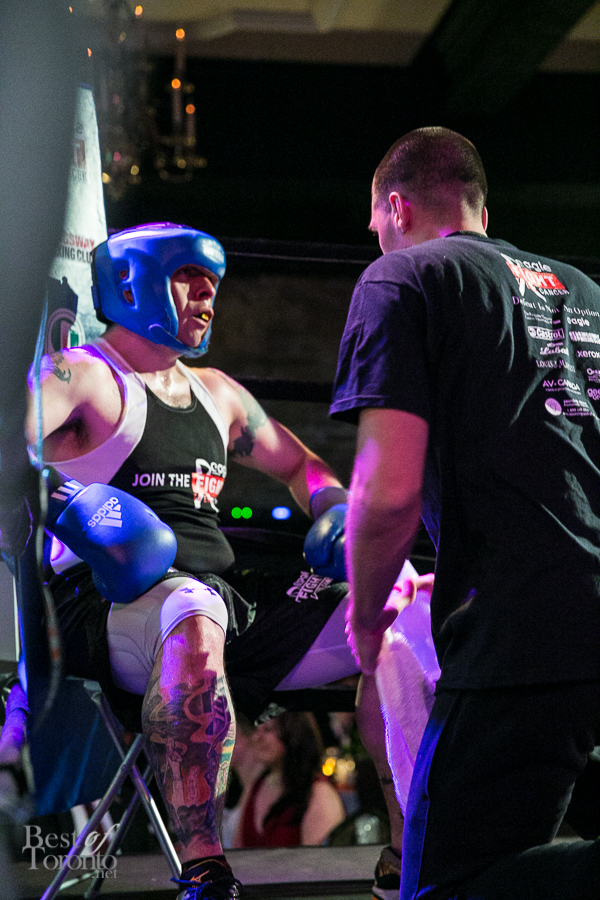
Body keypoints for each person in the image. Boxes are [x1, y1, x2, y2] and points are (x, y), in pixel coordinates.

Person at [26, 222, 408, 900]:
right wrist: (73, 503)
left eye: (213, 281)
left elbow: (302, 467)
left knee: (394, 602)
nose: (207, 294)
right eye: (187, 276)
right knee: (191, 605)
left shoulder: (218, 392)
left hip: (218, 604)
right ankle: (205, 870)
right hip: (105, 606)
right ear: (129, 284)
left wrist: (335, 509)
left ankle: (410, 852)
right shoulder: (80, 375)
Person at [330, 127, 600, 900]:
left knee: (445, 887)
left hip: (519, 625)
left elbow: (386, 494)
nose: (378, 241)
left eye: (376, 226)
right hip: (577, 606)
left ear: (396, 207)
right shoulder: (583, 292)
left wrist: (367, 619)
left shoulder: (402, 277)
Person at [234, 711, 345, 848]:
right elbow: (237, 849)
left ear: (294, 734)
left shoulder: (319, 794)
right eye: (257, 730)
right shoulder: (256, 786)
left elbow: (318, 859)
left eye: (268, 730)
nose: (257, 737)